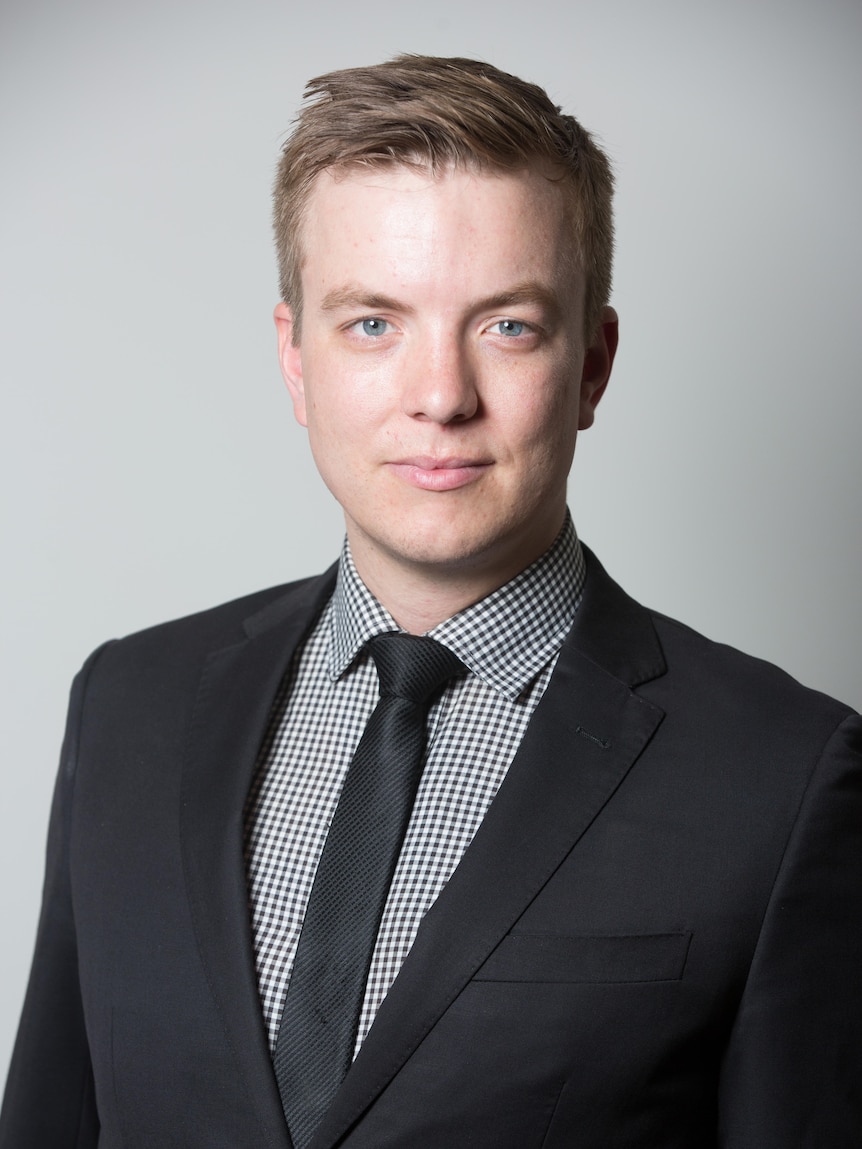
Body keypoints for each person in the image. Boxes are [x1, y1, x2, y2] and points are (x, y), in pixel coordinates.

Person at [1, 53, 859, 1149]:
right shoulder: (129, 704)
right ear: (294, 359)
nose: (441, 397)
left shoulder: (785, 778)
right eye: (373, 323)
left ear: (591, 364)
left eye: (508, 325)